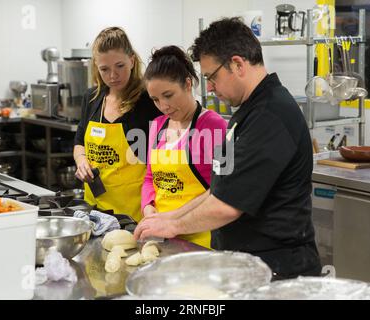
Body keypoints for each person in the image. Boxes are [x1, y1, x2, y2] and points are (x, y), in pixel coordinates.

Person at [134, 17, 322, 279]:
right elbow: (218, 190)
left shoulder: (270, 116)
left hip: (276, 269)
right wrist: (168, 218)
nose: (209, 87)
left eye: (212, 77)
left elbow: (227, 205)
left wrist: (173, 224)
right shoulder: (246, 113)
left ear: (237, 64)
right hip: (248, 262)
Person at [140, 46, 227, 249]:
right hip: (162, 238)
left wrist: (175, 221)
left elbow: (223, 190)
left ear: (188, 84)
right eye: (155, 99)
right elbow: (150, 178)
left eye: (168, 95)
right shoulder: (157, 126)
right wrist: (148, 208)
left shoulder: (215, 126)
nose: (163, 106)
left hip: (203, 241)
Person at [73, 27, 162, 223]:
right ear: (96, 66)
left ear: (131, 60)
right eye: (104, 69)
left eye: (120, 65)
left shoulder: (148, 101)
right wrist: (81, 161)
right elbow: (79, 141)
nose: (113, 75)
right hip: (95, 210)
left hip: (135, 214)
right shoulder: (92, 98)